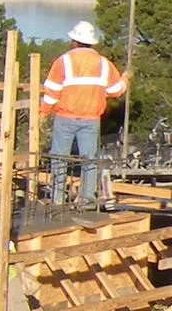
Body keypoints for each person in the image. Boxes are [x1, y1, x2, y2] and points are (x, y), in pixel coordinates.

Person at [40, 19, 127, 203]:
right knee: (89, 161)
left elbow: (52, 92)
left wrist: (43, 112)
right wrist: (125, 80)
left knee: (59, 159)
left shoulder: (63, 62)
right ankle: (86, 199)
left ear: (74, 41)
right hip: (91, 119)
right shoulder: (104, 64)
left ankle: (57, 199)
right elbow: (115, 90)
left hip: (65, 118)